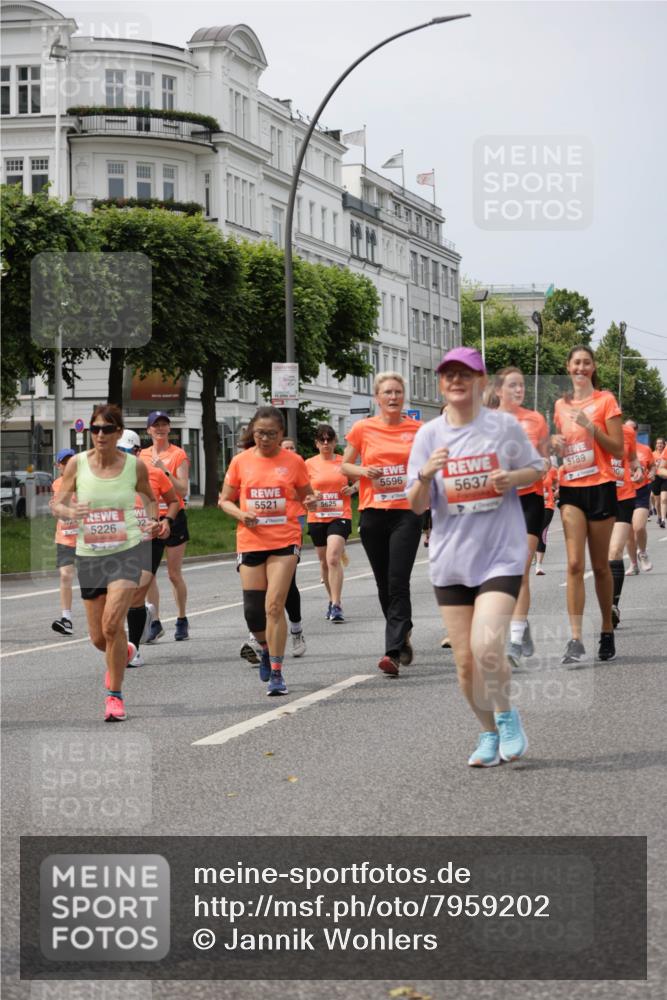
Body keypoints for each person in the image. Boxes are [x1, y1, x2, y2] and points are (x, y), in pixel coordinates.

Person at [407, 347, 544, 767]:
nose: (456, 380)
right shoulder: (428, 435)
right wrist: (426, 474)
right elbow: (415, 505)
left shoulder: (503, 427)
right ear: (440, 383)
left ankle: (505, 715)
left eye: (465, 374)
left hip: (500, 554)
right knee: (466, 664)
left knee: (487, 645)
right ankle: (488, 732)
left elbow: (537, 468)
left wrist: (511, 477)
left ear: (480, 381)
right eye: (448, 374)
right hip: (451, 562)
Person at [51, 404, 158, 721]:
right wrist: (71, 512)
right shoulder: (77, 464)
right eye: (95, 429)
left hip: (126, 552)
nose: (100, 434)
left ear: (118, 432)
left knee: (113, 625)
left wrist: (154, 521)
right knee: (100, 638)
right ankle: (124, 651)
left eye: (107, 429)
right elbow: (57, 503)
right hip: (89, 555)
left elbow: (150, 499)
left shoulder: (134, 466)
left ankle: (115, 696)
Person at [219, 406, 314, 696]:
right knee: (253, 612)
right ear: (252, 431)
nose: (265, 439)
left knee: (274, 605)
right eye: (260, 433)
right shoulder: (240, 461)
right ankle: (264, 647)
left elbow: (306, 495)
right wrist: (241, 514)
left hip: (284, 540)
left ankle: (276, 671)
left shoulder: (294, 461)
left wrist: (311, 501)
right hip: (250, 541)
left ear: (281, 433)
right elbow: (224, 500)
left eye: (272, 434)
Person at [341, 372, 423, 676]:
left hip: (406, 512)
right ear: (377, 397)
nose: (393, 397)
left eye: (398, 392)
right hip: (373, 513)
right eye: (387, 392)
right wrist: (364, 471)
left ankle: (393, 651)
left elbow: (430, 464)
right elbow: (344, 466)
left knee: (398, 580)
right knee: (383, 582)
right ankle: (403, 630)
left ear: (403, 397)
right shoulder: (363, 428)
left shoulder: (417, 430)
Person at [552, 345, 624, 664]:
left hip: (600, 487)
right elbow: (563, 446)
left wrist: (590, 426)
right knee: (573, 564)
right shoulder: (560, 405)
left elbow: (618, 449)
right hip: (571, 488)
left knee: (599, 566)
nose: (580, 368)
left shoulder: (605, 400)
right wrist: (554, 444)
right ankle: (576, 638)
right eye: (576, 363)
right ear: (568, 367)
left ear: (593, 368)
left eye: (586, 363)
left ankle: (606, 629)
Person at [487, 367, 550, 668]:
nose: (519, 390)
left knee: (520, 569)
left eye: (522, 385)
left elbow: (546, 459)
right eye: (512, 385)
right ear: (499, 390)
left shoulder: (536, 420)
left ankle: (513, 641)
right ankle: (521, 627)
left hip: (529, 501)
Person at [118, 430, 180, 667]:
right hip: (120, 542)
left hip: (149, 541)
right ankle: (142, 614)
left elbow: (173, 501)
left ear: (136, 452)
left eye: (125, 451)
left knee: (135, 593)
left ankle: (133, 649)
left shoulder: (153, 474)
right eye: (117, 451)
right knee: (123, 594)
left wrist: (166, 521)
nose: (120, 456)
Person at [140, 412, 190, 642]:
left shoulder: (178, 454)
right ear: (148, 430)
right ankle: (155, 621)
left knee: (173, 574)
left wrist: (164, 469)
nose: (160, 429)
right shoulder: (142, 455)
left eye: (164, 425)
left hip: (174, 516)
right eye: (156, 425)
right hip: (151, 518)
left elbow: (183, 490)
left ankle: (181, 619)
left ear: (170, 429)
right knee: (148, 575)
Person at [305, 424, 356, 622]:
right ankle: (331, 599)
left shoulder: (344, 462)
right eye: (322, 440)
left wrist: (353, 489)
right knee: (324, 562)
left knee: (333, 558)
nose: (325, 443)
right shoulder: (308, 464)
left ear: (335, 442)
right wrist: (311, 494)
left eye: (329, 439)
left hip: (340, 515)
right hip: (317, 517)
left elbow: (363, 479)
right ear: (316, 443)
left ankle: (336, 605)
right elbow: (298, 489)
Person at [607, 419, 642, 625]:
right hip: (598, 497)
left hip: (623, 497)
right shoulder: (589, 431)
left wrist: (638, 470)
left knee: (615, 552)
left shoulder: (627, 432)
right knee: (602, 559)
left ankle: (613, 606)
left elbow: (633, 459)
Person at [50, 448, 78, 635]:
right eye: (64, 463)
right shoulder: (57, 484)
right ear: (58, 466)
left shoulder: (84, 481)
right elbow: (56, 510)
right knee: (65, 575)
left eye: (71, 462)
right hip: (65, 536)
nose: (67, 466)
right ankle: (66, 619)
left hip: (86, 537)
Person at [535, 460, 559, 575]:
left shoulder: (552, 471)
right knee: (532, 533)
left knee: (542, 532)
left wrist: (555, 493)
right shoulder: (531, 470)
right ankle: (533, 555)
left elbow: (558, 483)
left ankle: (538, 565)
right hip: (534, 507)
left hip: (548, 506)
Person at [649, 437, 664, 522]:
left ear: (664, 445)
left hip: (664, 477)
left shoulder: (665, 454)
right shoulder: (652, 454)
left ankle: (663, 515)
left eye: (661, 443)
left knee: (664, 498)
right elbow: (649, 465)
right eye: (658, 443)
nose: (659, 445)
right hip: (655, 478)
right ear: (656, 445)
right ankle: (659, 515)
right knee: (657, 499)